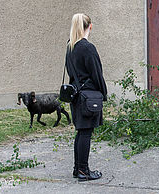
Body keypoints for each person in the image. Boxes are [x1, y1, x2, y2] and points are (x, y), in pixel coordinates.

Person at [65, 13, 107, 181]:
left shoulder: (70, 46)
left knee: (81, 132)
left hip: (75, 94)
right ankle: (83, 171)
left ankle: (78, 169)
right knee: (85, 133)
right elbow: (97, 74)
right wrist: (103, 93)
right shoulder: (87, 47)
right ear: (90, 26)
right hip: (87, 97)